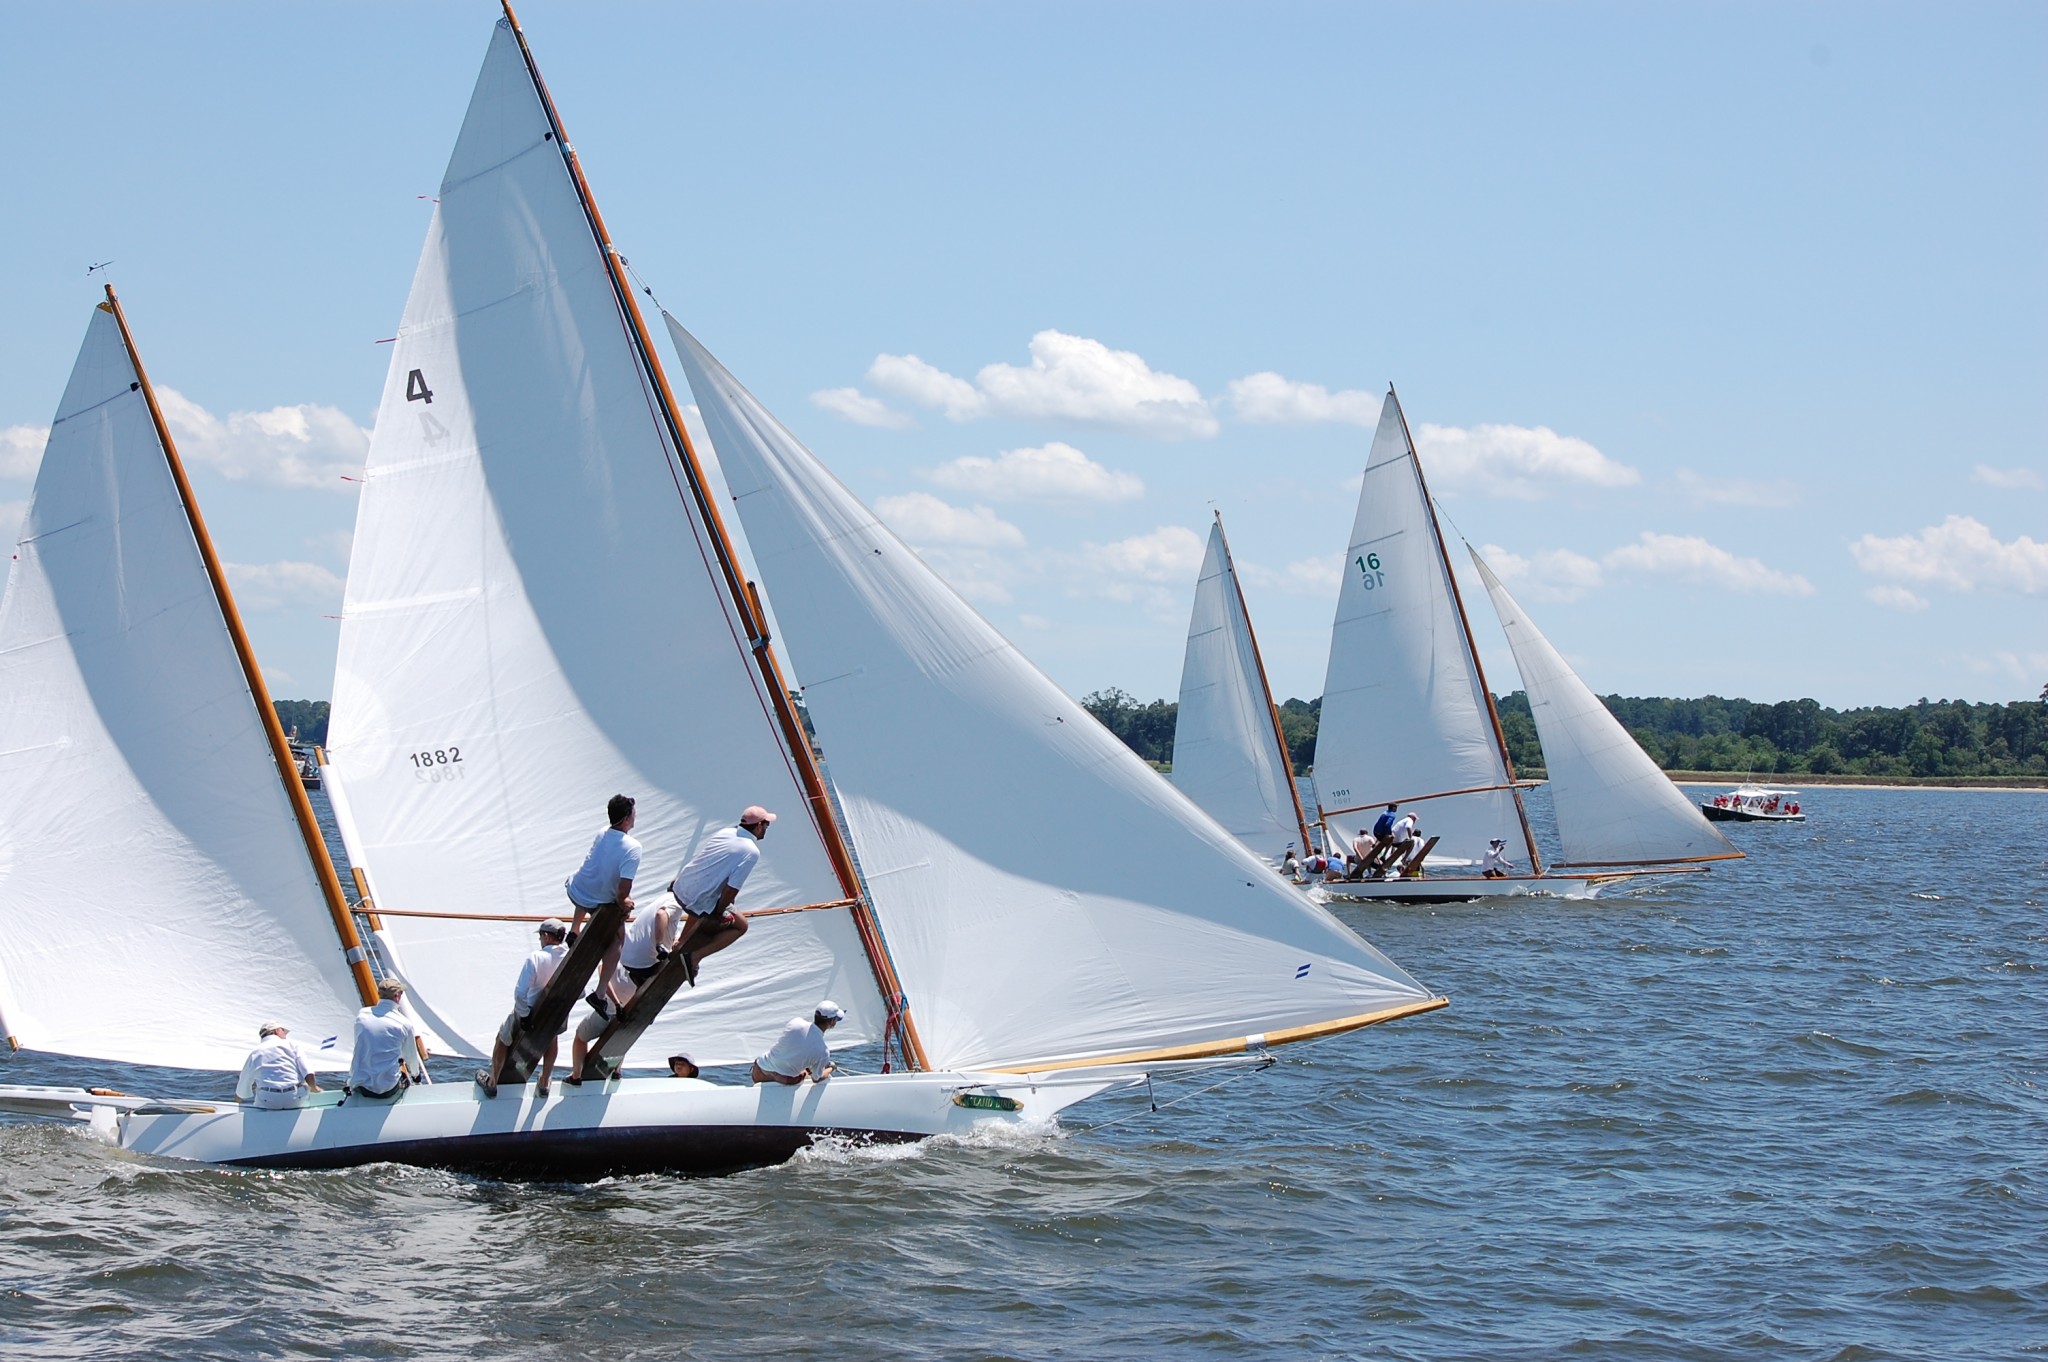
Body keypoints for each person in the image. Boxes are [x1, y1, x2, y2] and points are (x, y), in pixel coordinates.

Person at [668, 806, 775, 986]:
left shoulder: (726, 832)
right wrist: (718, 915)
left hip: (681, 886)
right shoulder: (751, 851)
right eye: (766, 824)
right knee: (740, 925)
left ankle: (679, 944)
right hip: (697, 899)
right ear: (758, 826)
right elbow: (731, 890)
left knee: (706, 899)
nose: (766, 828)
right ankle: (694, 957)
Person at [564, 794, 642, 1018]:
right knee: (618, 938)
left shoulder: (601, 832)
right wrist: (626, 905)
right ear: (627, 818)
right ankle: (599, 992)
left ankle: (574, 930)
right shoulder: (633, 847)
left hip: (576, 891)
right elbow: (622, 892)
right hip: (596, 902)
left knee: (586, 881)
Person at [479, 918, 570, 1099]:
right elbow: (580, 992)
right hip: (556, 1015)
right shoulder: (570, 958)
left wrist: (525, 1014)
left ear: (546, 936)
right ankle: (544, 1082)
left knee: (503, 1037)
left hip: (531, 1014)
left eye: (540, 937)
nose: (540, 941)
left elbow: (520, 993)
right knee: (552, 1037)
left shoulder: (536, 957)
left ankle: (492, 1082)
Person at [350, 979, 427, 1100]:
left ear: (379, 994)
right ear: (397, 996)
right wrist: (416, 1076)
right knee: (404, 1073)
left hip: (360, 1085)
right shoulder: (404, 1024)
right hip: (387, 1089)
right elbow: (411, 1057)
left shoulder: (361, 1015)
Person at [751, 1001, 844, 1085]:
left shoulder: (796, 1022)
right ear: (832, 1021)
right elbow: (816, 1079)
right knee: (804, 1074)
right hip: (784, 1080)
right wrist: (831, 1068)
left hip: (760, 1070)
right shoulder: (823, 1051)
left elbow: (793, 1047)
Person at [236, 1021, 322, 1110]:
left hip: (269, 1100)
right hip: (294, 1098)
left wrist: (239, 1097)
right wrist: (314, 1087)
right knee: (304, 1088)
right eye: (284, 1032)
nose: (285, 1035)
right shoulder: (292, 1045)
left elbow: (245, 1078)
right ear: (277, 1031)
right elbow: (307, 1071)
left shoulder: (256, 1051)